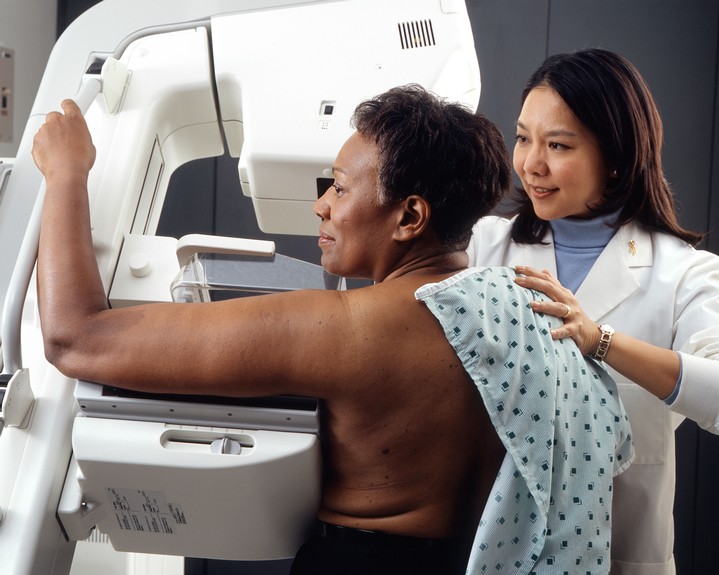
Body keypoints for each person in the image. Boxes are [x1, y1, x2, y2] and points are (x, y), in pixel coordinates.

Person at [32, 84, 632, 575]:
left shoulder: (347, 331)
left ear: (410, 217)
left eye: (340, 188)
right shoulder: (529, 311)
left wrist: (66, 176)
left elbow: (74, 337)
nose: (321, 206)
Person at [467, 47, 719, 575]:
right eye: (523, 138)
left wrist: (602, 341)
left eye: (557, 145)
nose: (531, 164)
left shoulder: (683, 274)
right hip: (496, 551)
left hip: (624, 557)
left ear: (617, 158)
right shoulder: (482, 248)